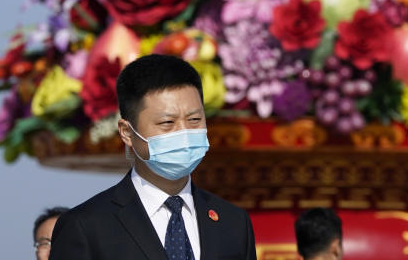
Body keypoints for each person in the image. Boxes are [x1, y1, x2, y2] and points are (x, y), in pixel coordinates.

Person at [50, 54, 257, 259]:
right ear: (127, 132)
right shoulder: (85, 227)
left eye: (194, 119)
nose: (183, 133)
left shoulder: (233, 223)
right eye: (167, 123)